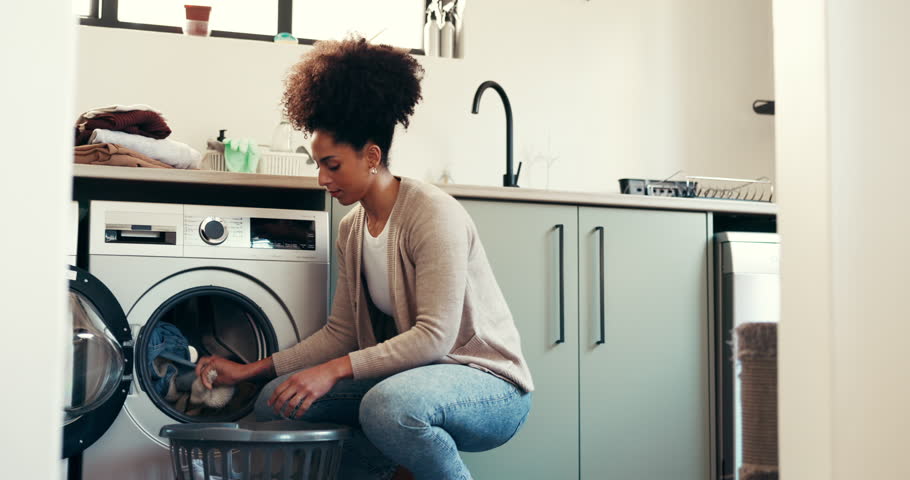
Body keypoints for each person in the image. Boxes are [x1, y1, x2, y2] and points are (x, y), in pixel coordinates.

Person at [194, 37, 533, 480]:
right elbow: (341, 333)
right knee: (277, 399)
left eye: (332, 165)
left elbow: (434, 337)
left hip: (489, 385)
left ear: (371, 156)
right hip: (413, 383)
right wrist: (248, 372)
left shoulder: (432, 214)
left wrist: (331, 373)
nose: (322, 178)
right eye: (318, 165)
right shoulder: (351, 229)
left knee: (387, 407)